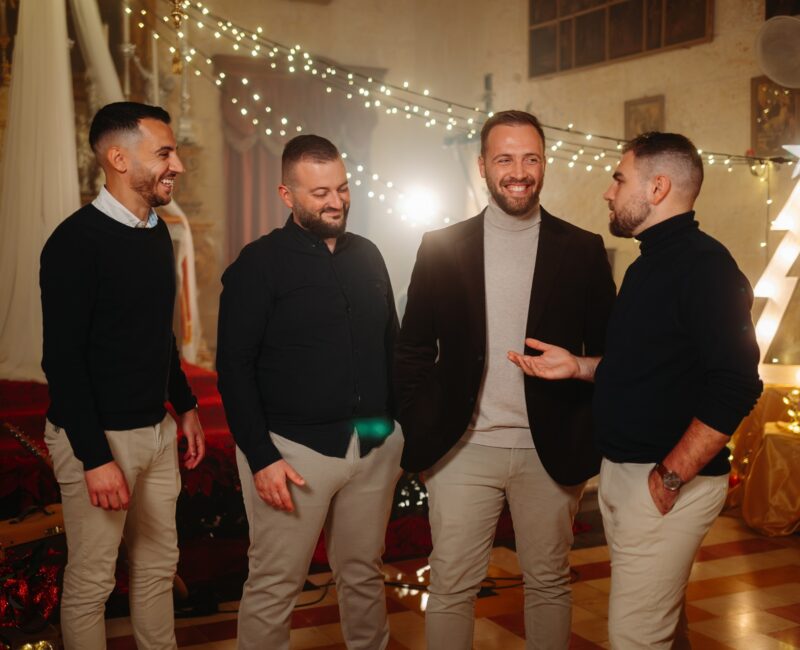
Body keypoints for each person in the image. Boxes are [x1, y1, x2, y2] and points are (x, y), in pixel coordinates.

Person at [509, 131, 763, 648]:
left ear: (658, 187)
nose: (608, 191)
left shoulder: (707, 269)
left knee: (635, 637)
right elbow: (649, 367)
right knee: (663, 630)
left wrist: (671, 476)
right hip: (630, 475)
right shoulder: (649, 263)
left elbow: (736, 383)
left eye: (619, 178)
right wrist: (577, 366)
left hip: (667, 482)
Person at [394, 110, 616, 649]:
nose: (518, 171)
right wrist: (425, 439)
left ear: (544, 163)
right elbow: (412, 350)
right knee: (450, 586)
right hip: (462, 450)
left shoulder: (583, 250)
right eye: (505, 159)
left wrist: (584, 416)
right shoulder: (440, 247)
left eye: (530, 158)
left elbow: (612, 355)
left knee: (548, 584)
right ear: (483, 166)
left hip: (550, 451)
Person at [216, 134, 402, 650]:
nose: (336, 201)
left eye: (342, 188)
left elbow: (391, 344)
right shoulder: (257, 264)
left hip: (373, 447)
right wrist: (260, 457)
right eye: (320, 192)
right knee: (275, 586)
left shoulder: (369, 254)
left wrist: (399, 430)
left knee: (364, 574)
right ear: (287, 194)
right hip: (292, 453)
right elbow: (233, 368)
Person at [40, 101, 206, 650]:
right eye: (164, 152)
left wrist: (184, 407)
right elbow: (62, 362)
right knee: (91, 584)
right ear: (117, 158)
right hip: (98, 439)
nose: (176, 164)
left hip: (155, 434)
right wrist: (95, 457)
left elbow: (158, 334)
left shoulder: (156, 231)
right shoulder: (73, 243)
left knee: (159, 571)